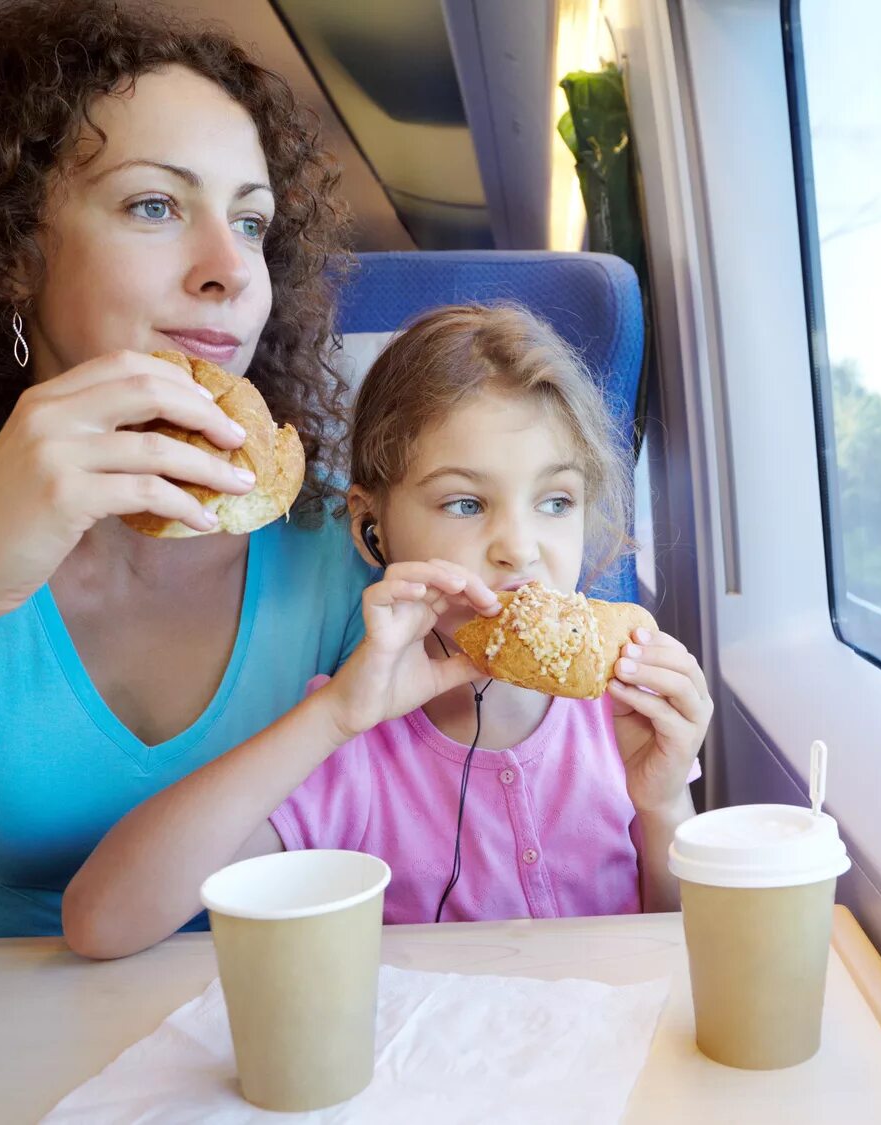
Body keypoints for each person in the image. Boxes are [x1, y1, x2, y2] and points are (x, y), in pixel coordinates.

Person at [0, 1, 497, 994]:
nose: (229, 271)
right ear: (9, 250)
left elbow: (434, 859)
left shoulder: (339, 537)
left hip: (251, 1017)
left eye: (250, 221)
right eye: (155, 206)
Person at [63, 305, 711, 959]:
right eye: (465, 502)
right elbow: (103, 921)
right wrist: (335, 716)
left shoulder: (621, 714)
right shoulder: (353, 743)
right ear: (375, 528)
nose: (520, 548)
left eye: (555, 501)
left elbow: (687, 949)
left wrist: (662, 806)